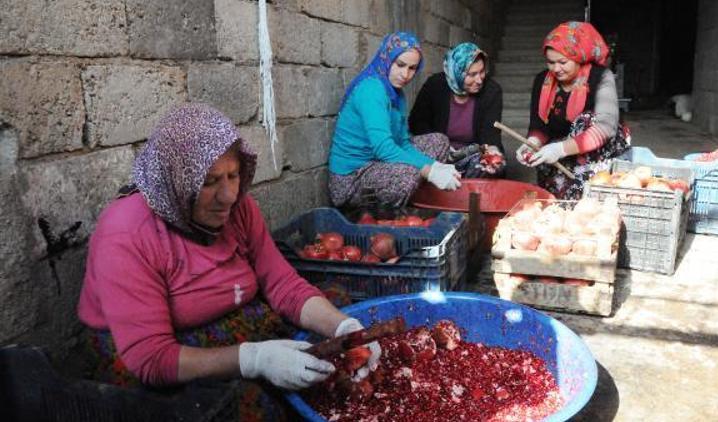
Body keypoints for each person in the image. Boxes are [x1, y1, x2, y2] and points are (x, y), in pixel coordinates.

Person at [77, 103, 380, 420]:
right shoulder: (126, 232)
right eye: (208, 182)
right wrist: (254, 360)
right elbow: (152, 358)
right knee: (250, 406)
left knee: (336, 310)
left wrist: (346, 328)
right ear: (177, 183)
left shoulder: (239, 208)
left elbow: (283, 285)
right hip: (162, 350)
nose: (228, 196)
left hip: (235, 314)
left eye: (233, 175)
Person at [328, 32, 461, 209]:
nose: (405, 74)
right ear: (386, 59)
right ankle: (384, 213)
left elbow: (403, 144)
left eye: (412, 68)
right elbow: (384, 148)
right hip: (351, 179)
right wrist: (429, 172)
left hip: (378, 163)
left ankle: (410, 193)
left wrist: (435, 166)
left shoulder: (396, 94)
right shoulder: (372, 90)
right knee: (406, 175)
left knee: (438, 141)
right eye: (400, 65)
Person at [516, 21, 630, 199]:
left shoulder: (600, 77)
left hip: (598, 149)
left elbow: (605, 128)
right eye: (550, 62)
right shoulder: (542, 81)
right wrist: (531, 144)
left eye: (562, 62)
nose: (556, 69)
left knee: (585, 119)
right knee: (551, 192)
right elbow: (540, 126)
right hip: (562, 145)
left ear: (579, 57)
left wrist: (560, 149)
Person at [409, 42, 506, 178]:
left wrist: (493, 152)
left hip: (473, 154)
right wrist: (440, 148)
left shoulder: (491, 91)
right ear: (456, 72)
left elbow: (490, 135)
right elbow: (417, 123)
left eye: (482, 72)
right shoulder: (435, 85)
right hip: (439, 153)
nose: (479, 80)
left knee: (491, 168)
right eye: (472, 74)